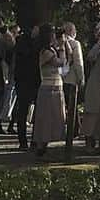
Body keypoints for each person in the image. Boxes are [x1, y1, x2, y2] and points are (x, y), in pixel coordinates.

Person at [31, 24, 67, 156]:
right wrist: (62, 47)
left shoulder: (51, 49)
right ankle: (41, 145)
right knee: (46, 117)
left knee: (54, 116)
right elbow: (60, 62)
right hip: (48, 87)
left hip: (56, 86)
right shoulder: (45, 52)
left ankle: (46, 144)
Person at [12, 24, 42, 151]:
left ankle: (29, 140)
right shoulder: (26, 43)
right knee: (25, 111)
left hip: (29, 79)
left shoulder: (27, 42)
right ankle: (25, 141)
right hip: (27, 79)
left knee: (26, 111)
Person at [60, 22, 85, 152]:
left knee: (64, 106)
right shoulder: (75, 44)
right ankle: (74, 130)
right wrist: (81, 79)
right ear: (72, 31)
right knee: (72, 106)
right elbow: (78, 63)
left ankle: (72, 129)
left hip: (60, 79)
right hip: (71, 78)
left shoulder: (58, 42)